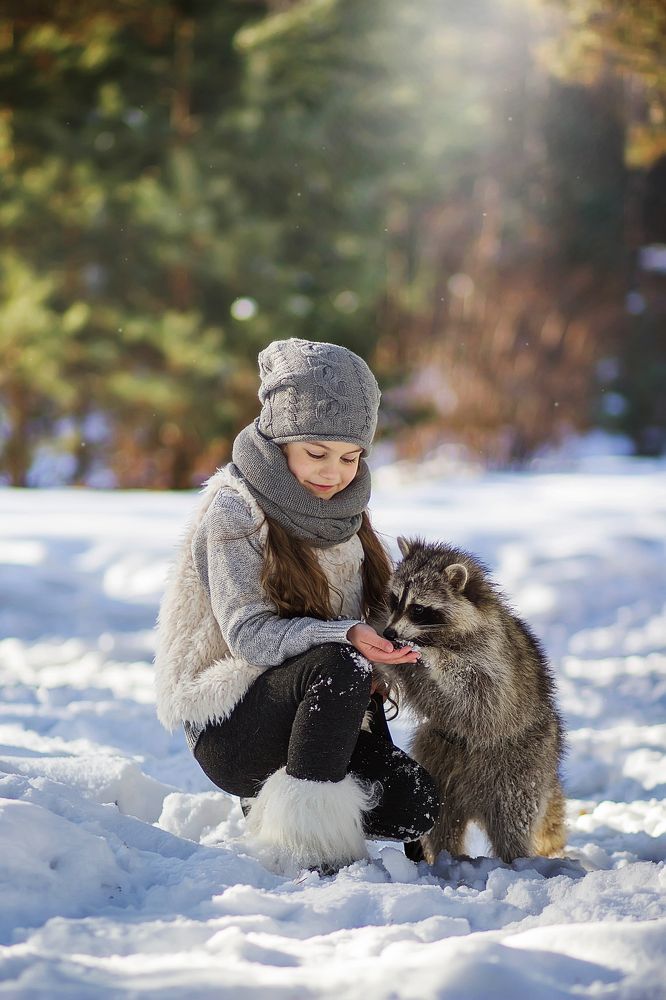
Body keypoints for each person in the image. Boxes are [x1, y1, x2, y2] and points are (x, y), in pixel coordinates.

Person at [154, 338, 439, 875]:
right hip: (233, 721)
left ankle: (293, 797)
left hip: (322, 709)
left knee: (416, 806)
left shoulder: (344, 513)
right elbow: (250, 635)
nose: (333, 473)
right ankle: (307, 848)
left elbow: (363, 625)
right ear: (278, 439)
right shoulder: (235, 510)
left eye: (350, 457)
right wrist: (347, 637)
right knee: (339, 661)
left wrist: (387, 653)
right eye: (316, 453)